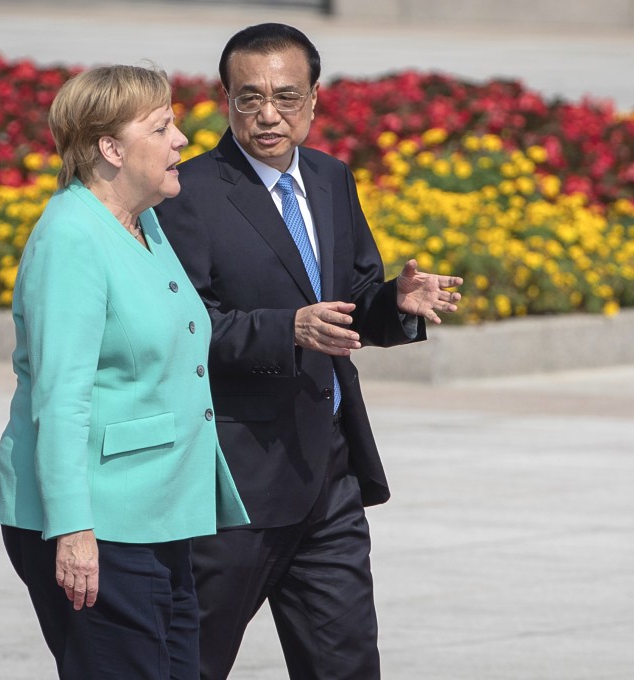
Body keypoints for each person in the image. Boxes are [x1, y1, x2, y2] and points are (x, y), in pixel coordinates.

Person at [154, 23, 463, 680]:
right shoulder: (190, 194)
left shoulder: (329, 177)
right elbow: (185, 329)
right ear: (225, 98)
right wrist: (286, 328)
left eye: (287, 97)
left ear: (315, 98)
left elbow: (348, 298)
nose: (269, 114)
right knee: (188, 665)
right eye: (250, 97)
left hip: (328, 479)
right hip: (232, 488)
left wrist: (394, 304)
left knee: (346, 665)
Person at [0, 64, 248, 680]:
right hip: (100, 522)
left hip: (154, 510)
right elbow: (61, 397)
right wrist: (74, 530)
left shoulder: (143, 221)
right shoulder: (72, 237)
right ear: (110, 149)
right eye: (161, 127)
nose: (182, 139)